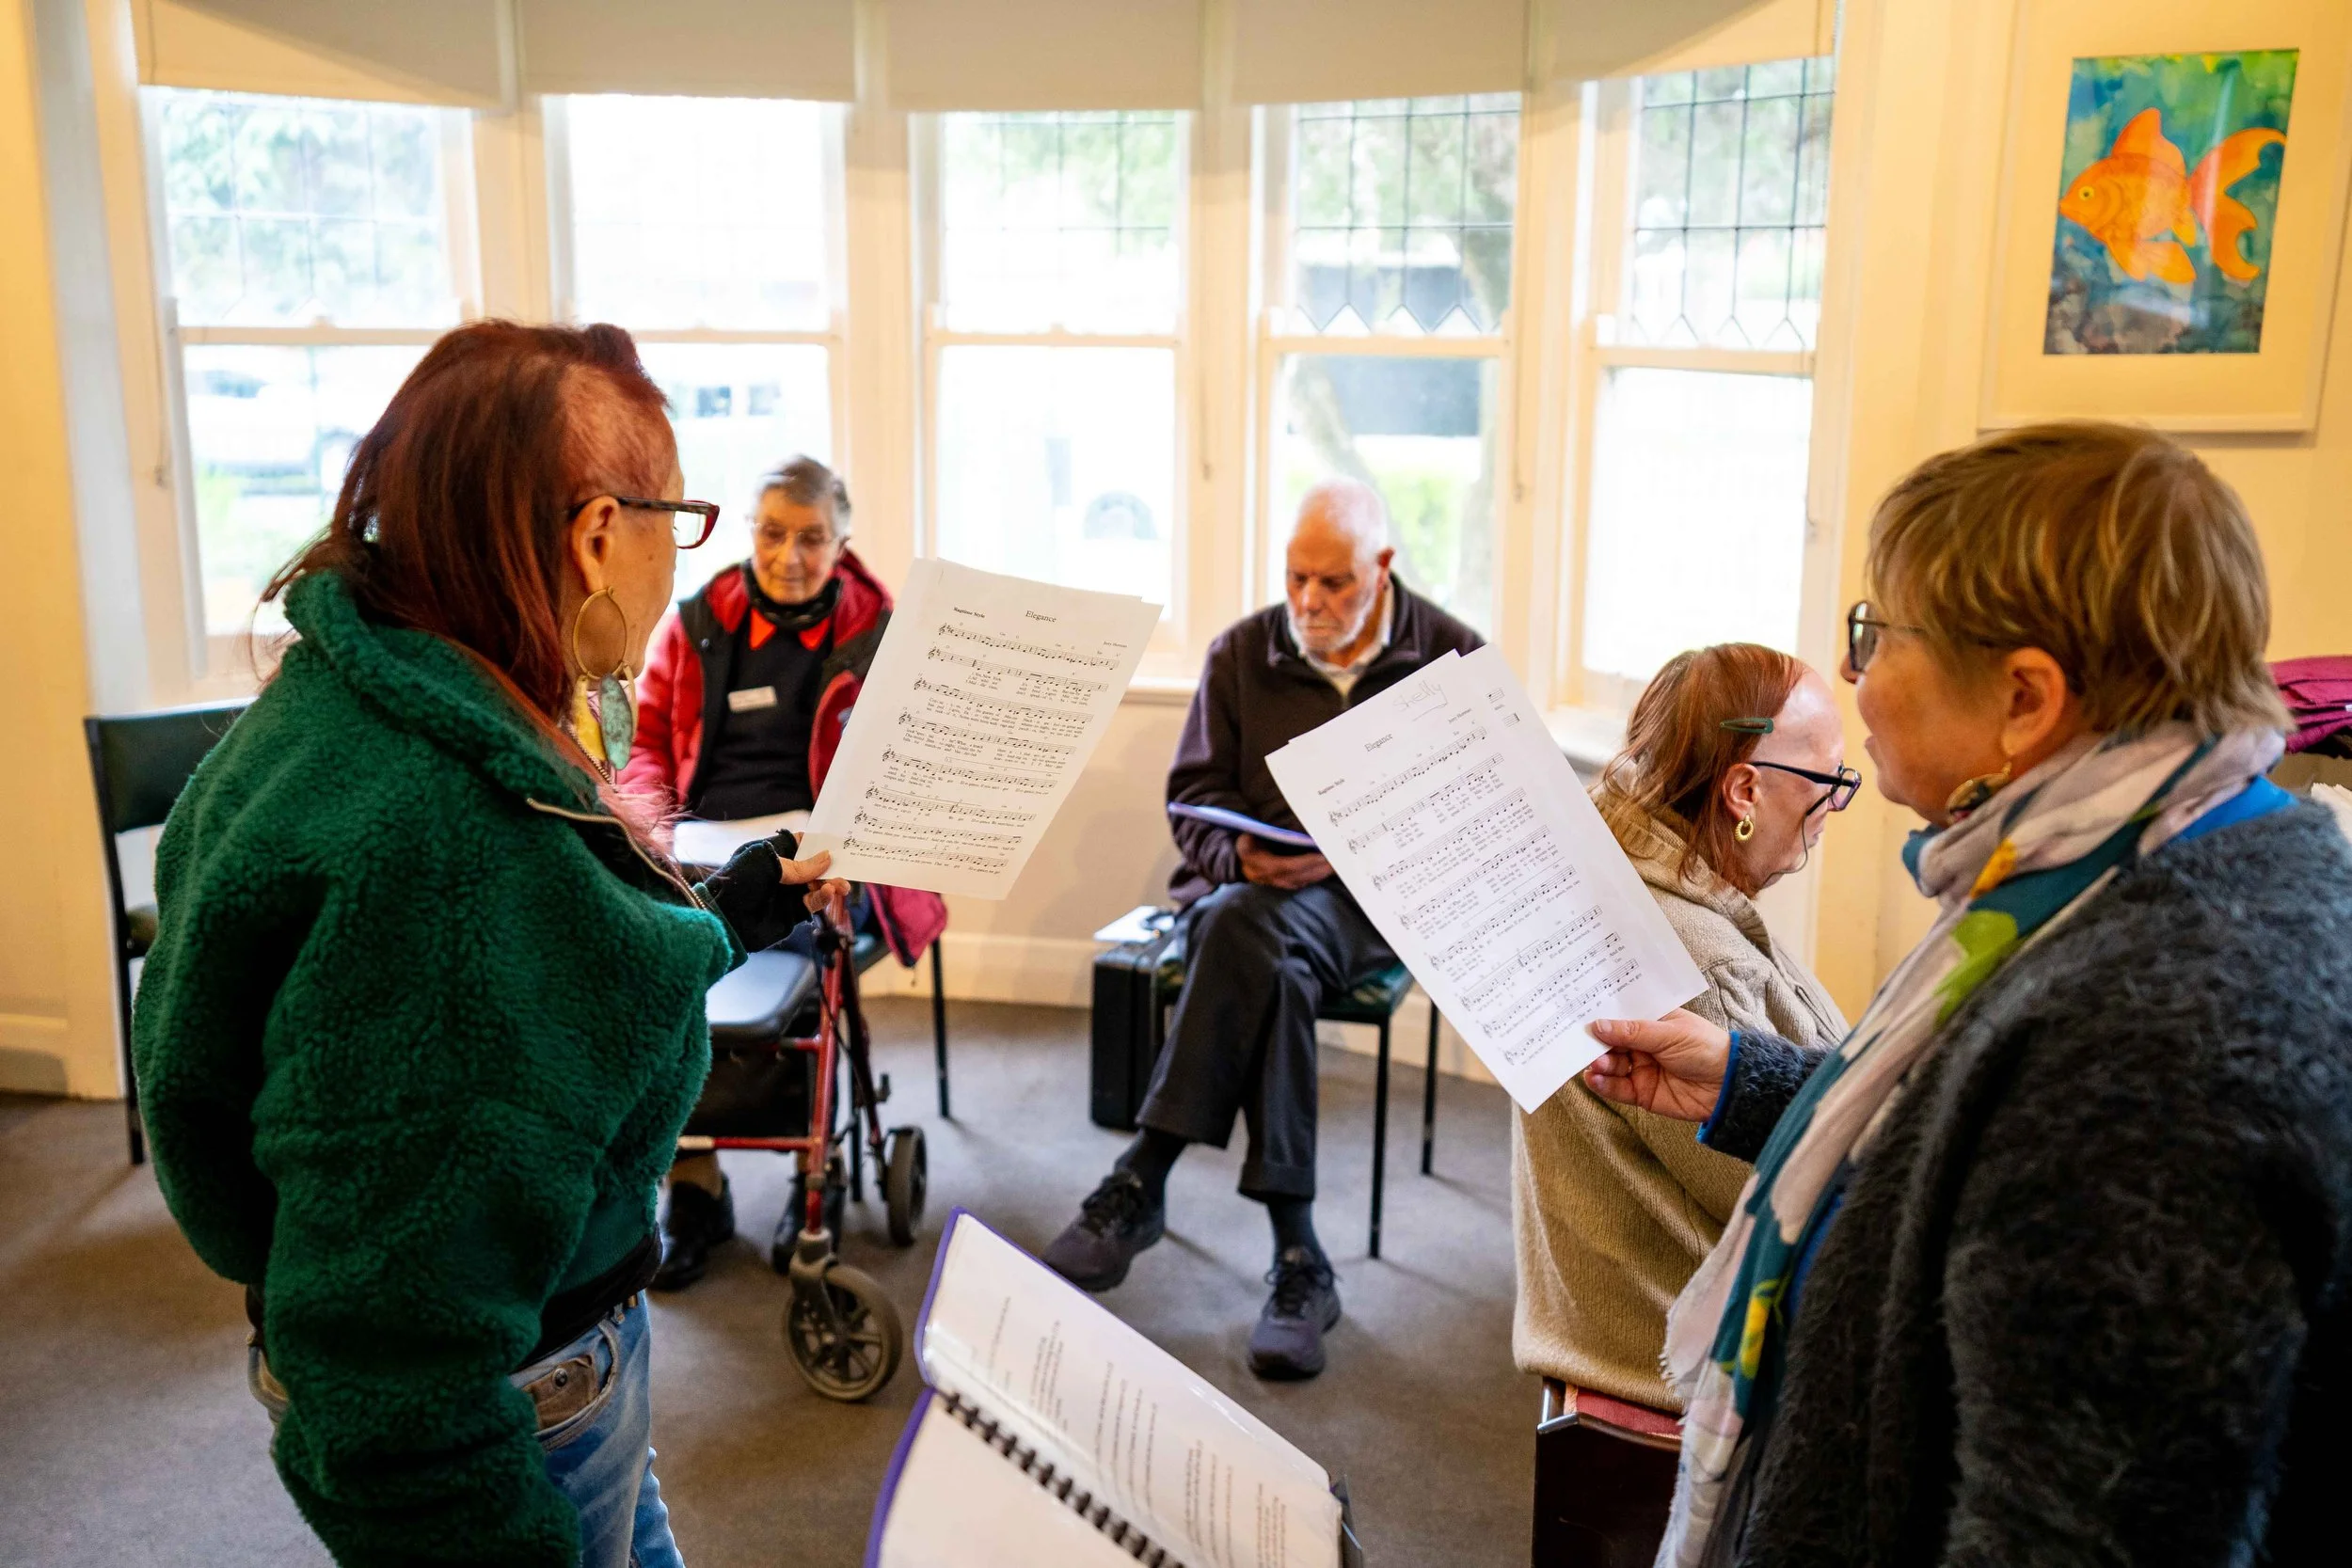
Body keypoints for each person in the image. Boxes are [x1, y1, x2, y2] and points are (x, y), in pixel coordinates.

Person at [131, 322, 848, 1568]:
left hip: (563, 1340)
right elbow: (388, 1374)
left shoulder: (353, 703)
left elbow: (565, 983)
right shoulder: (451, 849)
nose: (677, 563)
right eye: (674, 520)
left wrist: (724, 911)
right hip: (527, 1399)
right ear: (593, 535)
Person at [1583, 422, 2352, 1567]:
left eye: (1875, 631)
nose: (1855, 672)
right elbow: (1981, 1124)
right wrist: (1750, 1081)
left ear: (2025, 698)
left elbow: (2071, 1536)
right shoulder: (2170, 853)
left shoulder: (2154, 1039)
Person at [1041, 479, 1484, 1380]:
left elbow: (1472, 814)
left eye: (1335, 584)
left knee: (1241, 932)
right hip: (1253, 894)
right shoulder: (1242, 652)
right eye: (1297, 579)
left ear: (1383, 568)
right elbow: (1193, 800)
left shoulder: (1450, 656)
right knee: (1257, 939)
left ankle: (1144, 1174)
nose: (1310, 603)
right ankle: (1298, 1258)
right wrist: (1243, 860)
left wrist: (1356, 856)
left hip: (1374, 909)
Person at [1516, 644, 1852, 1558]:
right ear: (1743, 791)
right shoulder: (1691, 956)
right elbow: (1797, 1185)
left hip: (1609, 1303)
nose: (1830, 809)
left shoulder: (1642, 881)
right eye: (1826, 781)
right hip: (1662, 1343)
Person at [622, 456, 946, 1288]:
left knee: (805, 960)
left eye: (811, 538)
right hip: (703, 845)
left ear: (841, 544)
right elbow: (648, 743)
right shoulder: (698, 621)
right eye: (772, 534)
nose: (789, 555)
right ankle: (693, 1187)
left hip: (828, 860)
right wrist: (653, 832)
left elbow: (909, 762)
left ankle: (815, 1173)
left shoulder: (882, 632)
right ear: (751, 534)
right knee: (663, 955)